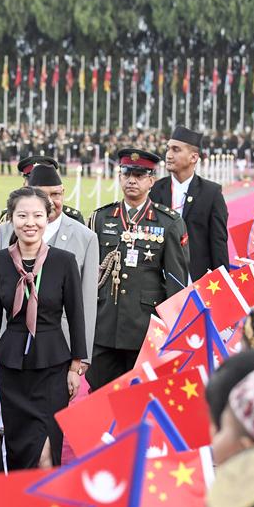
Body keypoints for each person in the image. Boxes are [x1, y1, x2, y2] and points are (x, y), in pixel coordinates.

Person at [0, 187, 86, 469]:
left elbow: (76, 315)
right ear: (11, 219)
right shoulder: (0, 261)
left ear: (47, 218)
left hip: (53, 366)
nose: (30, 222)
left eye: (38, 215)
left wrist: (76, 366)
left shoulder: (64, 261)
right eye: (22, 215)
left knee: (46, 450)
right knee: (18, 446)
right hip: (12, 367)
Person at [87, 148, 190, 391]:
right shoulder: (101, 218)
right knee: (100, 393)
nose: (132, 180)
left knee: (138, 396)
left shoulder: (168, 222)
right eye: (127, 174)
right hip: (104, 325)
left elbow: (177, 281)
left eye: (140, 175)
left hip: (143, 328)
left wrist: (170, 329)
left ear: (152, 181)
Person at [0, 164, 98, 371]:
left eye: (56, 194)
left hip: (61, 346)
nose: (51, 201)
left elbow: (87, 302)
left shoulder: (85, 237)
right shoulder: (7, 231)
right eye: (43, 195)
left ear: (64, 193)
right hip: (11, 344)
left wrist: (82, 356)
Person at [150, 125, 229, 279]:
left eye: (176, 150)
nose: (168, 155)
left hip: (196, 278)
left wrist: (223, 282)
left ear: (193, 157)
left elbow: (218, 243)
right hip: (159, 279)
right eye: (168, 149)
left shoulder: (211, 193)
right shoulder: (155, 190)